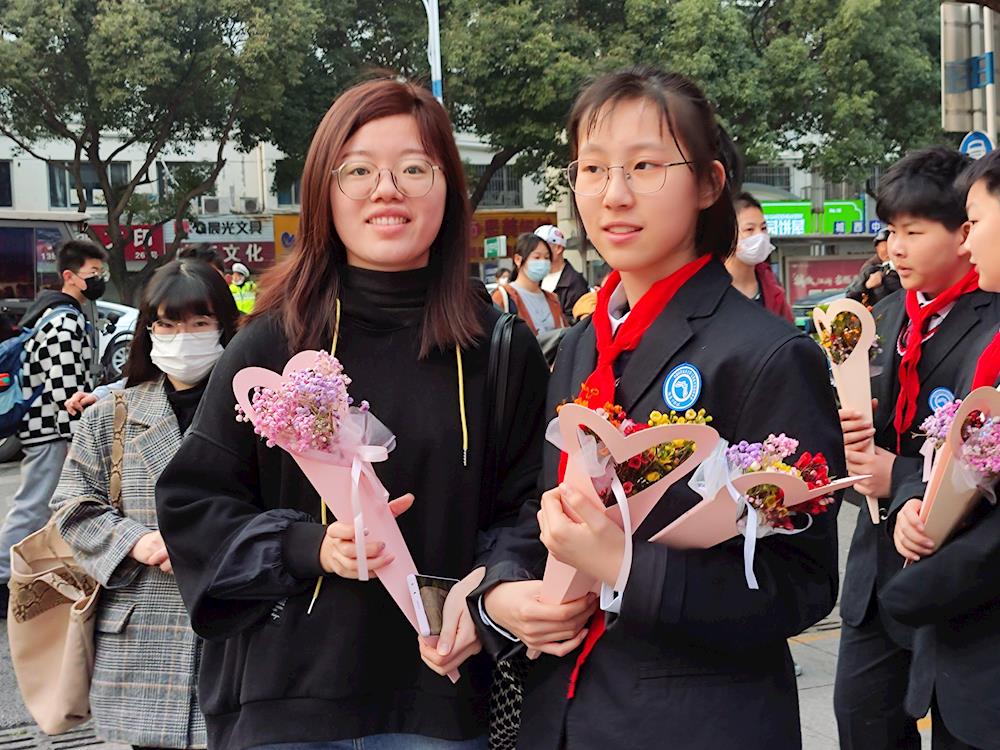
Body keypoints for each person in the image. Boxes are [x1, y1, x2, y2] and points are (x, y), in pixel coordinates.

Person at [155, 76, 548, 750]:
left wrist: (488, 598)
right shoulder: (272, 343)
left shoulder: (500, 351)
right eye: (359, 170)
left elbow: (531, 510)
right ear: (324, 193)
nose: (386, 189)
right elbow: (194, 508)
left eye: (414, 169)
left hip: (443, 705)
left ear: (449, 190)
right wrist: (310, 547)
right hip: (287, 705)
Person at [472, 65, 844, 750]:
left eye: (645, 166)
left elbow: (804, 583)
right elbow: (537, 508)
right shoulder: (579, 346)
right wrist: (503, 594)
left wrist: (626, 566)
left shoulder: (767, 355)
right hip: (563, 718)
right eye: (592, 168)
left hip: (694, 725)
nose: (614, 194)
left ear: (708, 183)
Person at [833, 146, 1000, 750]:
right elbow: (863, 444)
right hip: (875, 574)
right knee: (861, 720)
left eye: (913, 232)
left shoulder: (992, 319)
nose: (895, 249)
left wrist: (900, 479)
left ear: (962, 233)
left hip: (955, 573)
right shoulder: (880, 318)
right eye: (889, 233)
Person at [47, 259, 239, 750]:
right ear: (148, 331)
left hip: (238, 627)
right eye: (168, 325)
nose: (182, 338)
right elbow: (72, 505)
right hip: (143, 632)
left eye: (200, 323)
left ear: (225, 326)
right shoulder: (111, 414)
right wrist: (139, 542)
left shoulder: (259, 414)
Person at [0, 238, 106, 613]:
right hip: (51, 429)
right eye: (93, 272)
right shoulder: (65, 320)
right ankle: (3, 575)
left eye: (101, 272)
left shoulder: (52, 313)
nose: (99, 279)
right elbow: (66, 389)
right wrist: (80, 432)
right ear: (69, 276)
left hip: (45, 426)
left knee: (44, 506)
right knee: (34, 505)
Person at [725, 192, 793, 322]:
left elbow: (788, 329)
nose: (760, 236)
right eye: (749, 229)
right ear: (728, 234)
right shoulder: (712, 288)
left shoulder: (772, 286)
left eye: (763, 228)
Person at [491, 233, 569, 335]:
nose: (543, 262)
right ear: (518, 259)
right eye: (537, 257)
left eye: (546, 258)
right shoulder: (503, 296)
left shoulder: (553, 299)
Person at [533, 224, 589, 321]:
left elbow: (575, 321)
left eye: (543, 246)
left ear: (558, 248)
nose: (537, 251)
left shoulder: (575, 282)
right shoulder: (535, 277)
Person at [846, 227, 902, 307]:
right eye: (882, 248)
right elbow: (851, 294)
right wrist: (866, 285)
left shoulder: (904, 270)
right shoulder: (870, 269)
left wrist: (880, 285)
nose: (887, 253)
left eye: (889, 247)